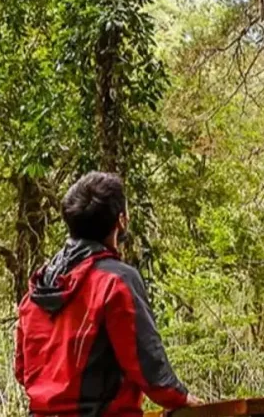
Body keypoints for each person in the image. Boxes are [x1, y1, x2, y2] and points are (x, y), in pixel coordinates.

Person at [14, 171, 201, 415]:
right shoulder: (116, 282)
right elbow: (147, 364)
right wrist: (180, 397)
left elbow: (22, 370)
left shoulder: (36, 292)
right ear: (121, 220)